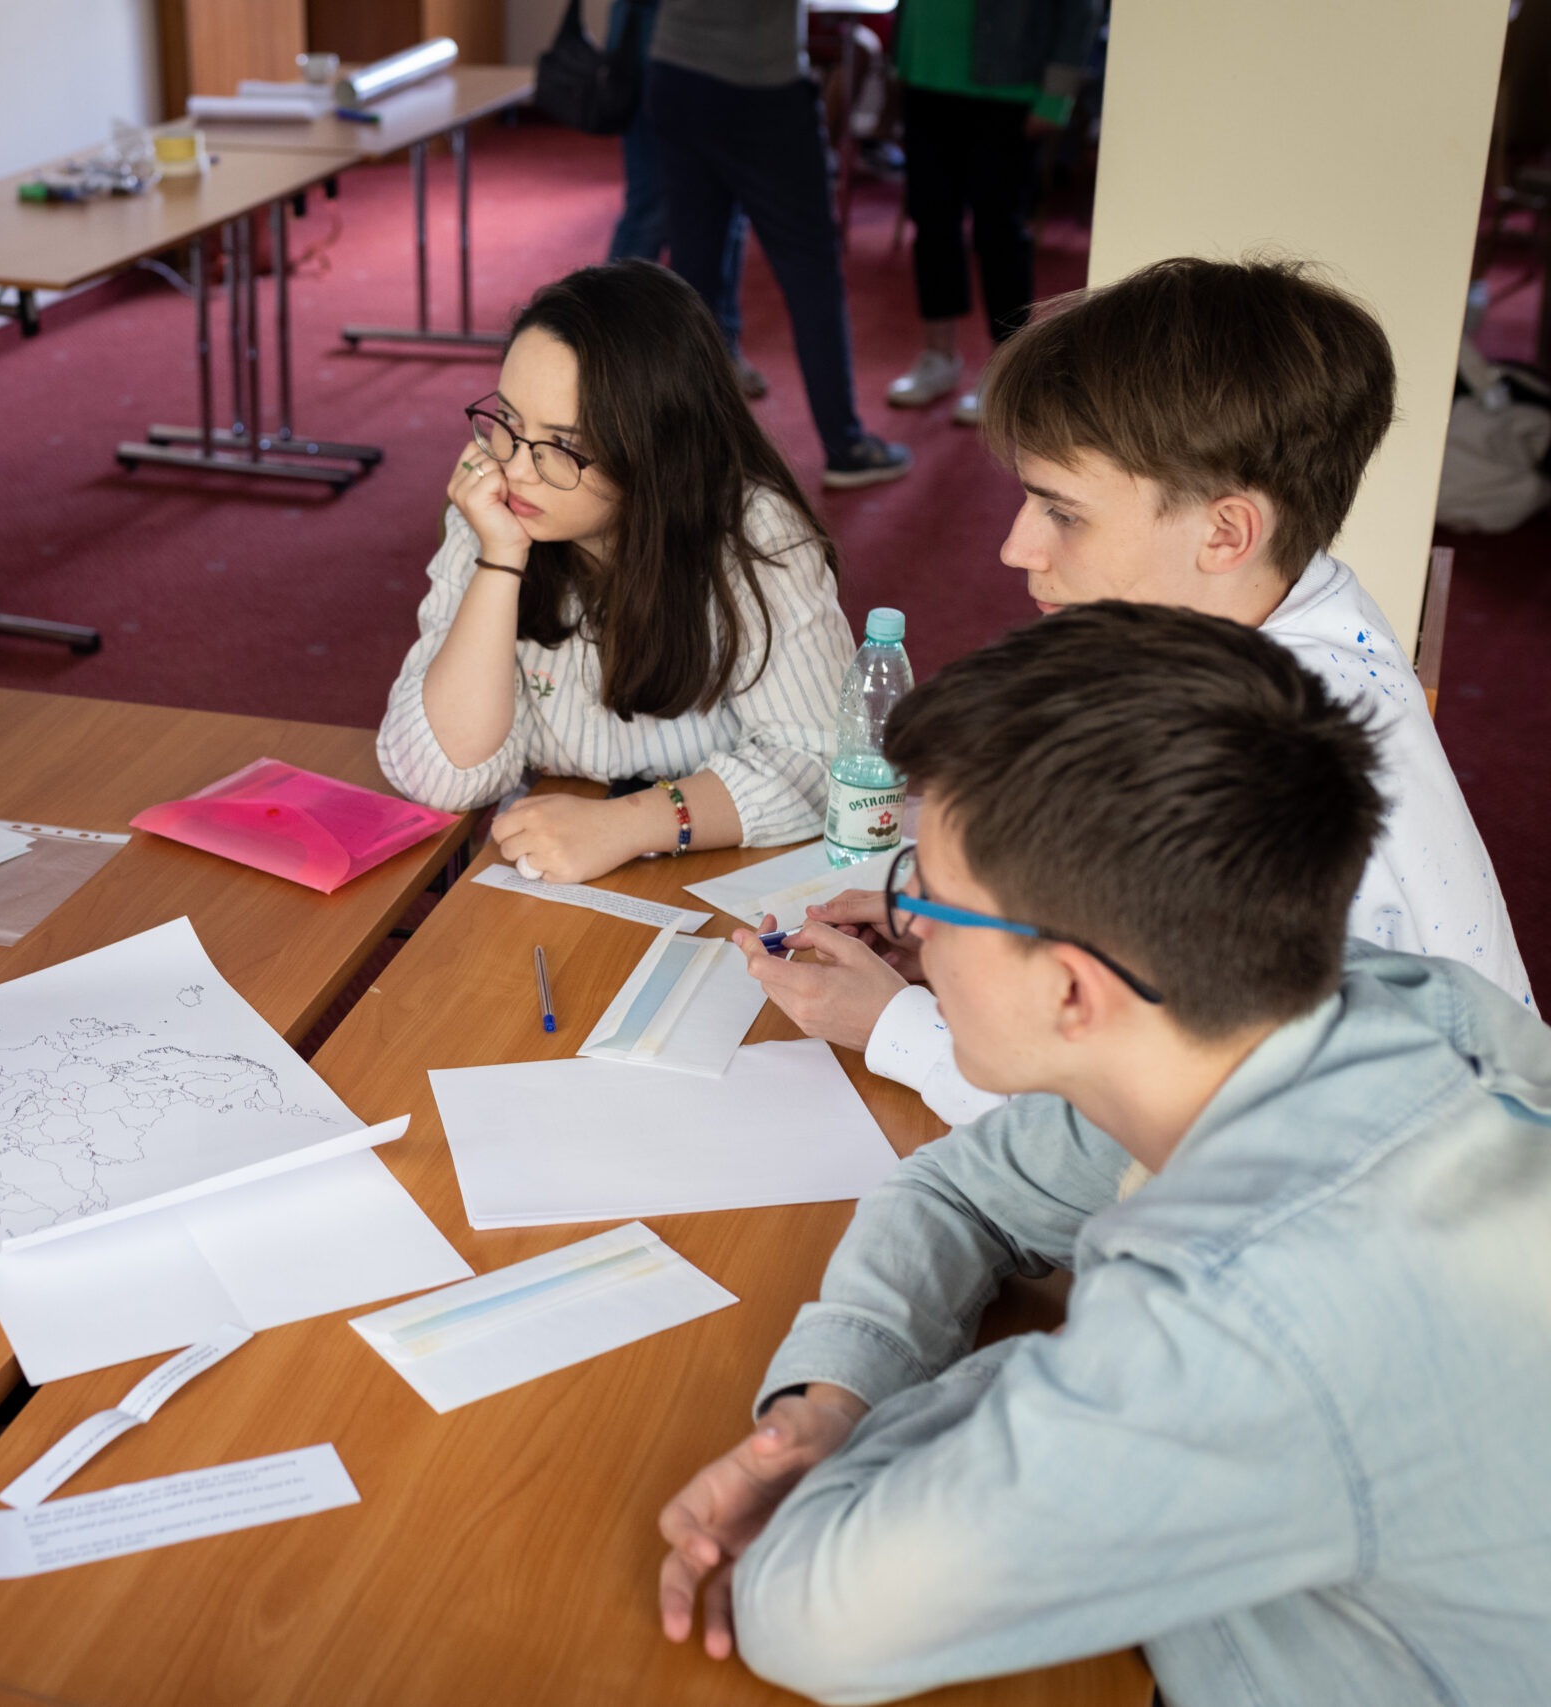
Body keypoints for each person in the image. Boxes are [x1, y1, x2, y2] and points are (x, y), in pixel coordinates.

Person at [658, 602, 1551, 1703]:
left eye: (927, 896)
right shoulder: (1317, 1007)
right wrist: (835, 1397)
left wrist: (1035, 1385)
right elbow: (955, 1188)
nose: (912, 932)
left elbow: (803, 1612)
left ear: (1073, 989)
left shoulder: (1246, 1322)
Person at [749, 257, 1534, 1125]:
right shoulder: (1302, 606)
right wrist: (972, 935)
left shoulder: (1247, 761)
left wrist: (899, 1028)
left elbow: (1148, 1130)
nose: (1015, 547)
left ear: (1226, 531)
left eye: (1063, 511)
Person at [377, 261, 853, 881]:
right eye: (509, 425)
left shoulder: (757, 534)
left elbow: (824, 764)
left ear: (654, 453)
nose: (517, 468)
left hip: (717, 871)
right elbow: (442, 775)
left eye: (563, 446)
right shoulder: (493, 511)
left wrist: (631, 823)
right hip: (550, 864)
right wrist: (500, 559)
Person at [643, 0, 912, 487]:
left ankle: (682, 451)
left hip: (677, 71)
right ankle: (844, 445)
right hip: (759, 84)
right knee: (810, 272)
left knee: (694, 268)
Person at [884, 0, 1096, 425]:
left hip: (1008, 89)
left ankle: (1005, 373)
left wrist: (1056, 95)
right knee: (931, 221)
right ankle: (938, 356)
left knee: (999, 231)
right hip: (924, 76)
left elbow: (1079, 10)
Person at [607, 0, 769, 399]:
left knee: (726, 209)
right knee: (652, 205)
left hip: (723, 52)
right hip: (652, 39)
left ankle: (718, 351)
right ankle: (609, 351)